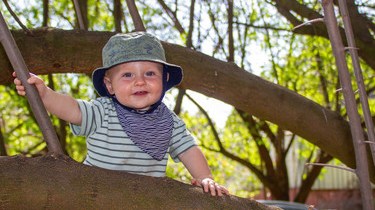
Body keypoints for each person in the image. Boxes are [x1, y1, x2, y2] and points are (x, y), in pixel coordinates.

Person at [13, 32, 229, 197]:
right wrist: (45, 94)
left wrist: (204, 178)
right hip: (95, 194)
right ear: (109, 85)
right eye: (127, 74)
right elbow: (73, 109)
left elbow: (189, 149)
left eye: (150, 73)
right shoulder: (103, 111)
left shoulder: (169, 122)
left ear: (164, 80)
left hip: (144, 198)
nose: (140, 81)